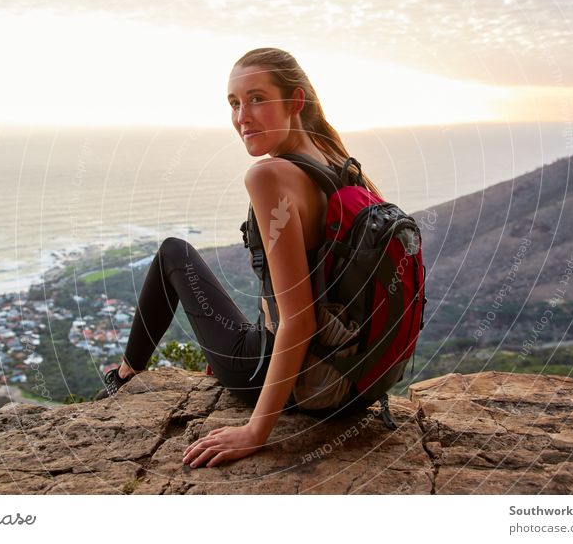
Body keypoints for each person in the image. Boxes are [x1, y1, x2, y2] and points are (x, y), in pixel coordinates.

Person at [95, 47, 383, 468]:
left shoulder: (269, 175)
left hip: (267, 372)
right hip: (345, 376)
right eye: (234, 103)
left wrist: (255, 431)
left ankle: (123, 377)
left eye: (257, 98)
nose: (241, 116)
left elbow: (298, 321)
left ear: (295, 101)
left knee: (173, 253)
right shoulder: (341, 165)